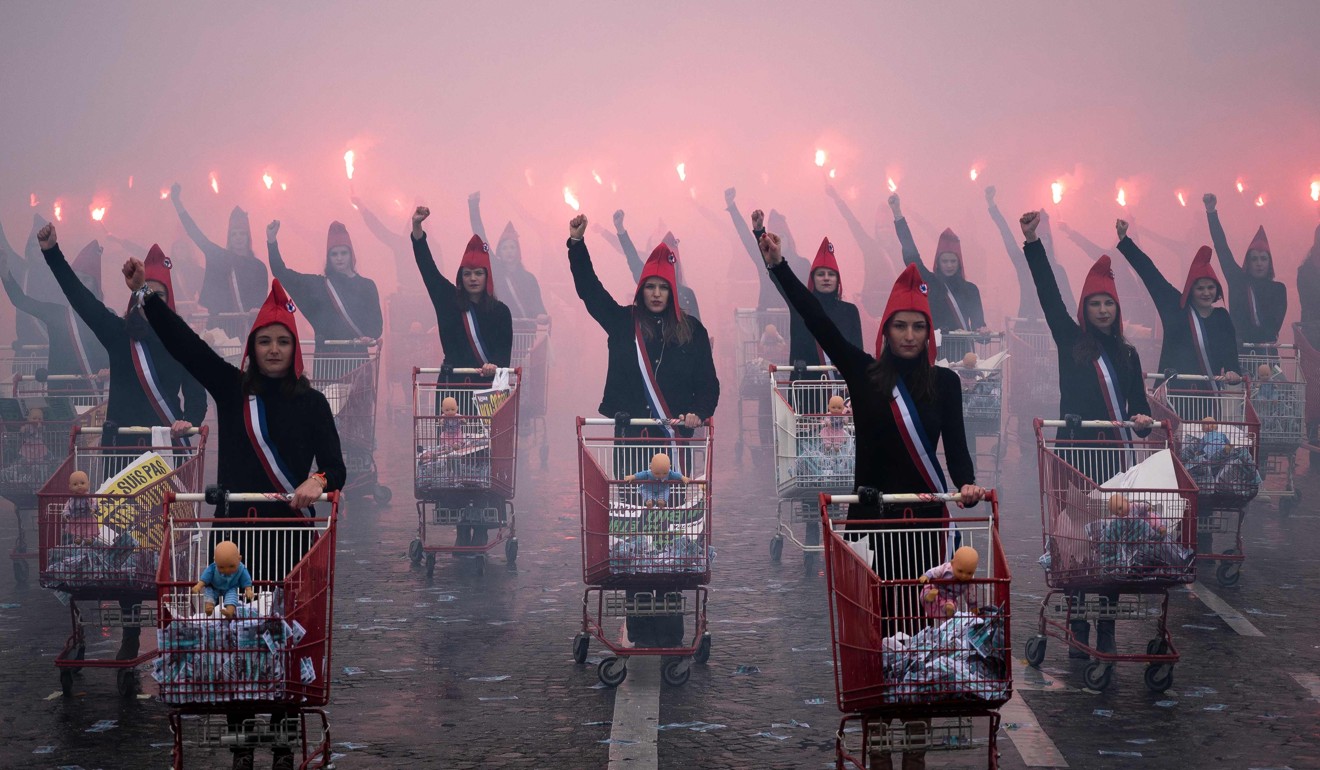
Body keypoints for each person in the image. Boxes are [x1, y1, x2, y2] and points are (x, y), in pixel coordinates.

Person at [760, 228, 984, 770]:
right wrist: (778, 267)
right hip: (873, 526)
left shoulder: (947, 384)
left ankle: (916, 757)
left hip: (927, 526)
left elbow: (956, 451)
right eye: (900, 326)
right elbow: (816, 318)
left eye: (918, 327)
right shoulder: (864, 373)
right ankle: (881, 751)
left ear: (930, 333)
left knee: (923, 644)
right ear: (885, 331)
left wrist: (970, 486)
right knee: (880, 642)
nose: (909, 335)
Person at [135, 267, 344, 770]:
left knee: (282, 629)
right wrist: (147, 299)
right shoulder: (232, 389)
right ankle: (240, 733)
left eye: (282, 342)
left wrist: (318, 483)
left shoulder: (313, 403)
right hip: (233, 536)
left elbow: (337, 466)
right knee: (231, 632)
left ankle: (282, 724)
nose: (273, 350)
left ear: (295, 349)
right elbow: (186, 347)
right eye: (265, 342)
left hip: (291, 538)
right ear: (251, 347)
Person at [39, 223, 206, 662]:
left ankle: (173, 623)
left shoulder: (181, 344)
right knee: (123, 541)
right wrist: (52, 252)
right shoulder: (119, 335)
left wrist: (190, 422)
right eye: (144, 292)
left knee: (162, 541)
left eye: (160, 294)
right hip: (121, 453)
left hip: (165, 455)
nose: (151, 301)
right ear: (134, 296)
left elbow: (200, 397)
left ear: (169, 302)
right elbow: (80, 299)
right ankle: (132, 626)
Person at [566, 213, 719, 647]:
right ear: (641, 289)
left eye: (662, 287)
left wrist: (697, 413)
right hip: (630, 440)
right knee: (633, 525)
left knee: (669, 528)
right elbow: (589, 292)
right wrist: (576, 245)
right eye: (650, 287)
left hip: (674, 446)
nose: (655, 294)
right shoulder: (621, 322)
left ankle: (670, 618)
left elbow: (710, 385)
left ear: (673, 291)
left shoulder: (693, 331)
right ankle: (637, 615)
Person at [1020, 211, 1154, 658]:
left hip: (1116, 460)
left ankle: (1107, 627)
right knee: (1078, 542)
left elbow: (1138, 406)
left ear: (1117, 310)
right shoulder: (1070, 340)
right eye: (1095, 303)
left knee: (1111, 543)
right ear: (1085, 308)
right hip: (1074, 457)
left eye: (1108, 304)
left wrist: (1141, 420)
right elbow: (1048, 296)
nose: (1102, 310)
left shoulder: (1130, 354)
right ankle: (1077, 622)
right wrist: (1033, 242)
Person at [412, 206, 513, 550]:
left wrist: (494, 367)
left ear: (488, 277)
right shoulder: (447, 300)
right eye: (467, 272)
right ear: (460, 275)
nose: (472, 279)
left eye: (479, 273)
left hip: (487, 392)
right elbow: (427, 270)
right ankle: (459, 520)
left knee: (484, 458)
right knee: (452, 457)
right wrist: (417, 232)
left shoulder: (501, 313)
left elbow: (505, 357)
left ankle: (483, 520)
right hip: (452, 390)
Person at [1115, 219, 1241, 395]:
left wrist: (1233, 370)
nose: (1206, 293)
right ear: (1191, 288)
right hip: (1172, 394)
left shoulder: (1222, 317)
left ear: (1217, 289)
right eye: (1200, 288)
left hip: (1207, 395)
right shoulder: (1175, 307)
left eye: (1210, 287)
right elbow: (1151, 274)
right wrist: (1125, 241)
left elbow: (1230, 351)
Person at [265, 220, 382, 379]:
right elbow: (281, 272)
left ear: (351, 254)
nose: (339, 258)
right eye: (334, 254)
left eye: (344, 253)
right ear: (328, 257)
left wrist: (370, 336)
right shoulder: (317, 285)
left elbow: (376, 324)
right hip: (327, 362)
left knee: (358, 403)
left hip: (357, 360)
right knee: (327, 404)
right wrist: (272, 241)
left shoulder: (367, 286)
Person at [889, 194, 985, 361]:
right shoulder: (931, 283)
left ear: (959, 263)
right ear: (938, 263)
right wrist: (898, 214)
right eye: (945, 261)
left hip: (963, 357)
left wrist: (984, 332)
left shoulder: (971, 290)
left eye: (953, 261)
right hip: (934, 355)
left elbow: (978, 327)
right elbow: (911, 255)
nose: (949, 265)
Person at [1, 240, 109, 388]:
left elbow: (118, 351)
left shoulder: (107, 316)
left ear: (96, 286)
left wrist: (109, 369)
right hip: (59, 393)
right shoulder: (57, 314)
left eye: (86, 279)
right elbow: (20, 300)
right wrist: (4, 272)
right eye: (76, 279)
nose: (80, 284)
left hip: (93, 395)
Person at [168, 182, 270, 319]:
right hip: (222, 326)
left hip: (249, 327)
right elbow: (195, 234)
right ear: (229, 238)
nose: (238, 238)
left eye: (242, 233)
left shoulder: (259, 267)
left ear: (248, 237)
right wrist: (177, 203)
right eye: (234, 234)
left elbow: (262, 300)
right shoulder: (220, 257)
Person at [1202, 193, 1288, 345]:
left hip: (1266, 352)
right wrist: (1211, 212)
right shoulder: (1237, 280)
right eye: (1254, 259)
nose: (1259, 263)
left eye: (1263, 259)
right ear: (1247, 262)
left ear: (1270, 263)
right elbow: (1221, 247)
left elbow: (1274, 325)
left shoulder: (1279, 289)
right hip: (1240, 352)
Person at [985, 187, 1072, 320]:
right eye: (1039, 237)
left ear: (1050, 242)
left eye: (1045, 238)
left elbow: (1070, 303)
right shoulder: (1023, 263)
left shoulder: (1059, 271)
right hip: (1027, 325)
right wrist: (991, 204)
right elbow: (1005, 232)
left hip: (1055, 329)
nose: (1042, 242)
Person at [468, 191, 549, 321]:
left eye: (512, 247)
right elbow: (480, 237)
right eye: (504, 248)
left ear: (518, 251)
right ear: (499, 252)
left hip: (525, 335)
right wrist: (473, 204)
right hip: (500, 330)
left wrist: (542, 316)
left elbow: (538, 307)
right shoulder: (495, 271)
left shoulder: (529, 279)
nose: (509, 251)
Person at [610, 209, 701, 320]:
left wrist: (704, 338)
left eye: (671, 261)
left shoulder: (687, 294)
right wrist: (621, 230)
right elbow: (633, 259)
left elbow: (697, 328)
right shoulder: (650, 286)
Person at [824, 184, 899, 318]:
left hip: (895, 307)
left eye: (887, 227)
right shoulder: (871, 248)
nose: (884, 231)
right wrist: (837, 199)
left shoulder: (901, 252)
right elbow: (853, 223)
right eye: (880, 228)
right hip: (872, 308)